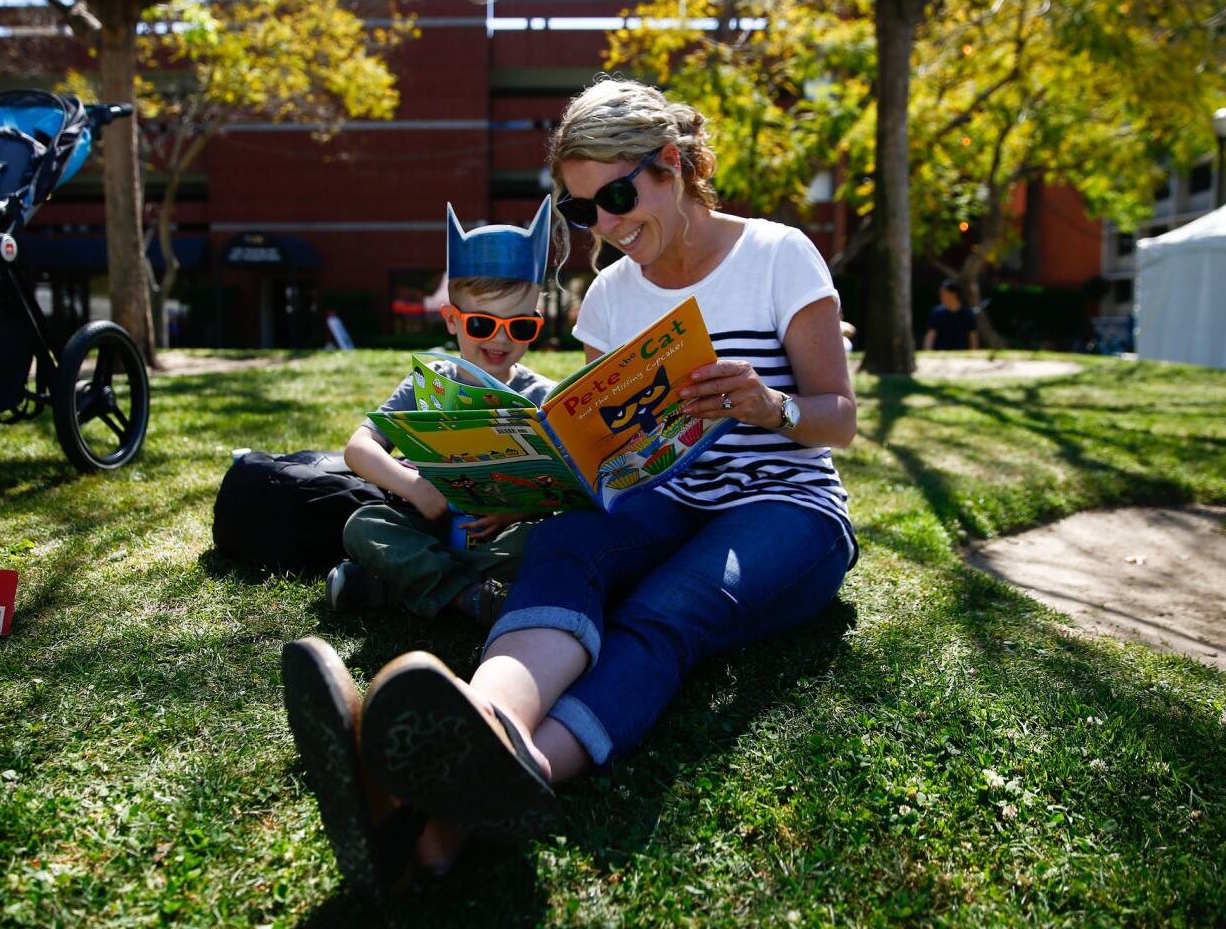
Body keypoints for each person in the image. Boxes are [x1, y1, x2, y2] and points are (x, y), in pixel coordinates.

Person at [282, 78, 860, 894]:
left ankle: (472, 791)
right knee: (561, 545)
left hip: (786, 509)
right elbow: (595, 444)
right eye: (585, 211)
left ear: (675, 165)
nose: (609, 226)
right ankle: (482, 727)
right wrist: (523, 479)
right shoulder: (611, 296)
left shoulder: (778, 254)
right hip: (661, 499)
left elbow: (838, 418)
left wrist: (772, 405)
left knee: (669, 611)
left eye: (618, 197)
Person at [327, 198, 557, 624]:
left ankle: (398, 586)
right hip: (425, 519)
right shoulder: (429, 381)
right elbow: (359, 448)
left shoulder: (544, 395)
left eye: (520, 326)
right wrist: (414, 487)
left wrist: (517, 511)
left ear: (536, 324)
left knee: (554, 539)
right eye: (482, 324)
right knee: (363, 526)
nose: (500, 339)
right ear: (452, 320)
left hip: (499, 531)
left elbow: (568, 483)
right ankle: (467, 594)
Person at [922, 279, 979, 351]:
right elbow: (931, 334)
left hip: (962, 355)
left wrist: (974, 352)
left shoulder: (967, 313)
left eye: (943, 293)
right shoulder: (937, 313)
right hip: (941, 353)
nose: (941, 296)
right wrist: (927, 351)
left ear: (953, 294)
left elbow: (972, 335)